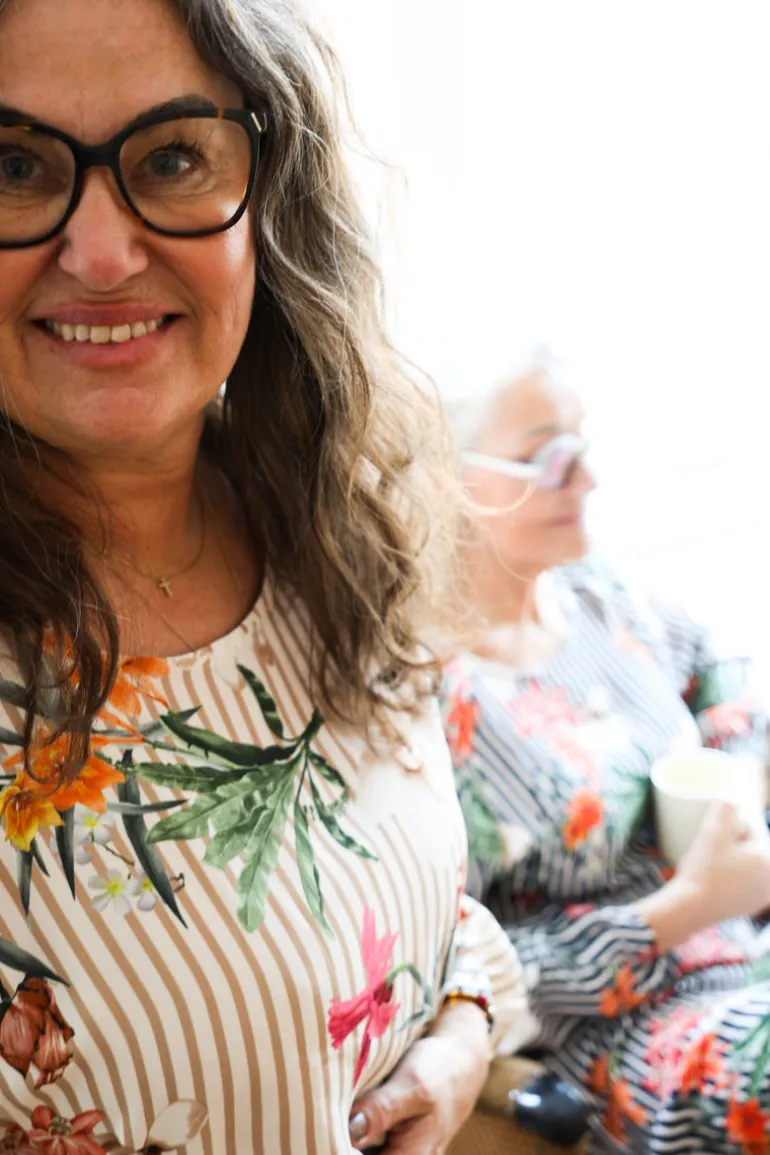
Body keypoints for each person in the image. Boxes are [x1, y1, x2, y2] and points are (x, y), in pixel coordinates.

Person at [0, 2, 531, 1153]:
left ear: (271, 199)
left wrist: (461, 1031)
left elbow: (408, 912)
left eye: (173, 156)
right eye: (14, 165)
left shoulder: (333, 528)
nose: (98, 253)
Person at [442, 364, 770, 1153]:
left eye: (582, 445)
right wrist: (685, 906)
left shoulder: (598, 597)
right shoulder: (429, 705)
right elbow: (468, 975)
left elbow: (723, 672)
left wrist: (740, 790)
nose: (590, 477)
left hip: (748, 948)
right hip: (631, 1031)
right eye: (551, 457)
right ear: (446, 481)